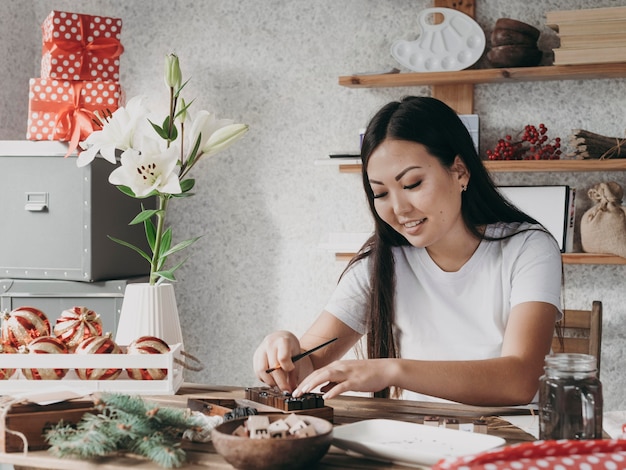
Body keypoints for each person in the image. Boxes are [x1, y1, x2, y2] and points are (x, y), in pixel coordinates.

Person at [253, 96, 563, 406]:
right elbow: (307, 368)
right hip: (418, 439)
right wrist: (282, 351)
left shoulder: (528, 248)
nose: (399, 208)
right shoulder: (381, 262)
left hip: (509, 442)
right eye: (381, 193)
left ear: (460, 171)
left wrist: (392, 370)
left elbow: (520, 381)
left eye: (413, 183)